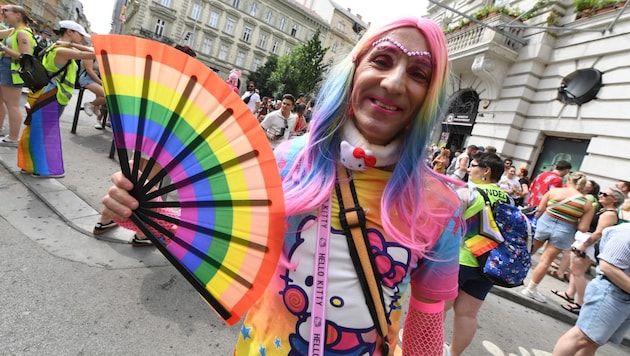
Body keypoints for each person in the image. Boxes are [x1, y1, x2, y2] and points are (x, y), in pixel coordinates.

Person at [100, 17, 463, 355]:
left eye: (418, 74)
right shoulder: (289, 160)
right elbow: (218, 235)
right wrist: (141, 211)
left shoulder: (440, 204)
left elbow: (425, 323)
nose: (394, 82)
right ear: (354, 69)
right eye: (382, 60)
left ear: (430, 96)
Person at [445, 152, 512, 356]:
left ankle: (425, 349)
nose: (468, 169)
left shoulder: (467, 192)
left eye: (473, 165)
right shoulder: (508, 198)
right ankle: (453, 354)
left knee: (437, 310)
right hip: (488, 264)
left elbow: (446, 226)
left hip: (459, 259)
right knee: (468, 314)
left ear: (486, 170)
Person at [17, 20, 95, 178]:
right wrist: (74, 46)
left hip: (45, 93)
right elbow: (95, 53)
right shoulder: (62, 51)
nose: (82, 38)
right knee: (44, 133)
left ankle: (29, 165)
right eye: (80, 35)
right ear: (69, 32)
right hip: (53, 96)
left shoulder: (54, 47)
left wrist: (71, 45)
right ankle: (41, 170)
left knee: (36, 130)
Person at [552, 222, 630, 356]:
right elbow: (608, 267)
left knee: (594, 341)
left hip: (622, 296)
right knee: (582, 337)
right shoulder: (625, 234)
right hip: (612, 292)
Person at [521, 172, 594, 303]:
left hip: (543, 224)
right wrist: (571, 218)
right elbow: (583, 228)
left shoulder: (554, 192)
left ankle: (509, 276)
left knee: (527, 253)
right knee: (545, 261)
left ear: (569, 180)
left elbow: (539, 210)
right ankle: (530, 289)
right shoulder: (586, 203)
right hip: (564, 231)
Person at [551, 187, 624, 314]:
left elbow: (598, 233)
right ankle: (570, 293)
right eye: (600, 193)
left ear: (615, 199)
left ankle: (581, 303)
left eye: (605, 194)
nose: (601, 195)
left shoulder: (609, 214)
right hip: (585, 243)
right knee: (575, 271)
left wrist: (583, 246)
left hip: (588, 246)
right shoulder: (604, 211)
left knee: (577, 272)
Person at [0, 5, 35, 147]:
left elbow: (25, 56)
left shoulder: (22, 33)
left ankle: (13, 137)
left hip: (12, 70)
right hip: (5, 67)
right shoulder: (14, 31)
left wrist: (3, 48)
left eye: (5, 11)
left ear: (18, 15)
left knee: (12, 105)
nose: (3, 13)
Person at [78, 57, 107, 129]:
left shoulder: (102, 55)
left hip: (97, 78)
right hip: (87, 78)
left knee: (109, 96)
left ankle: (95, 105)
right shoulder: (90, 52)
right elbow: (89, 70)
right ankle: (91, 104)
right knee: (107, 95)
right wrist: (100, 82)